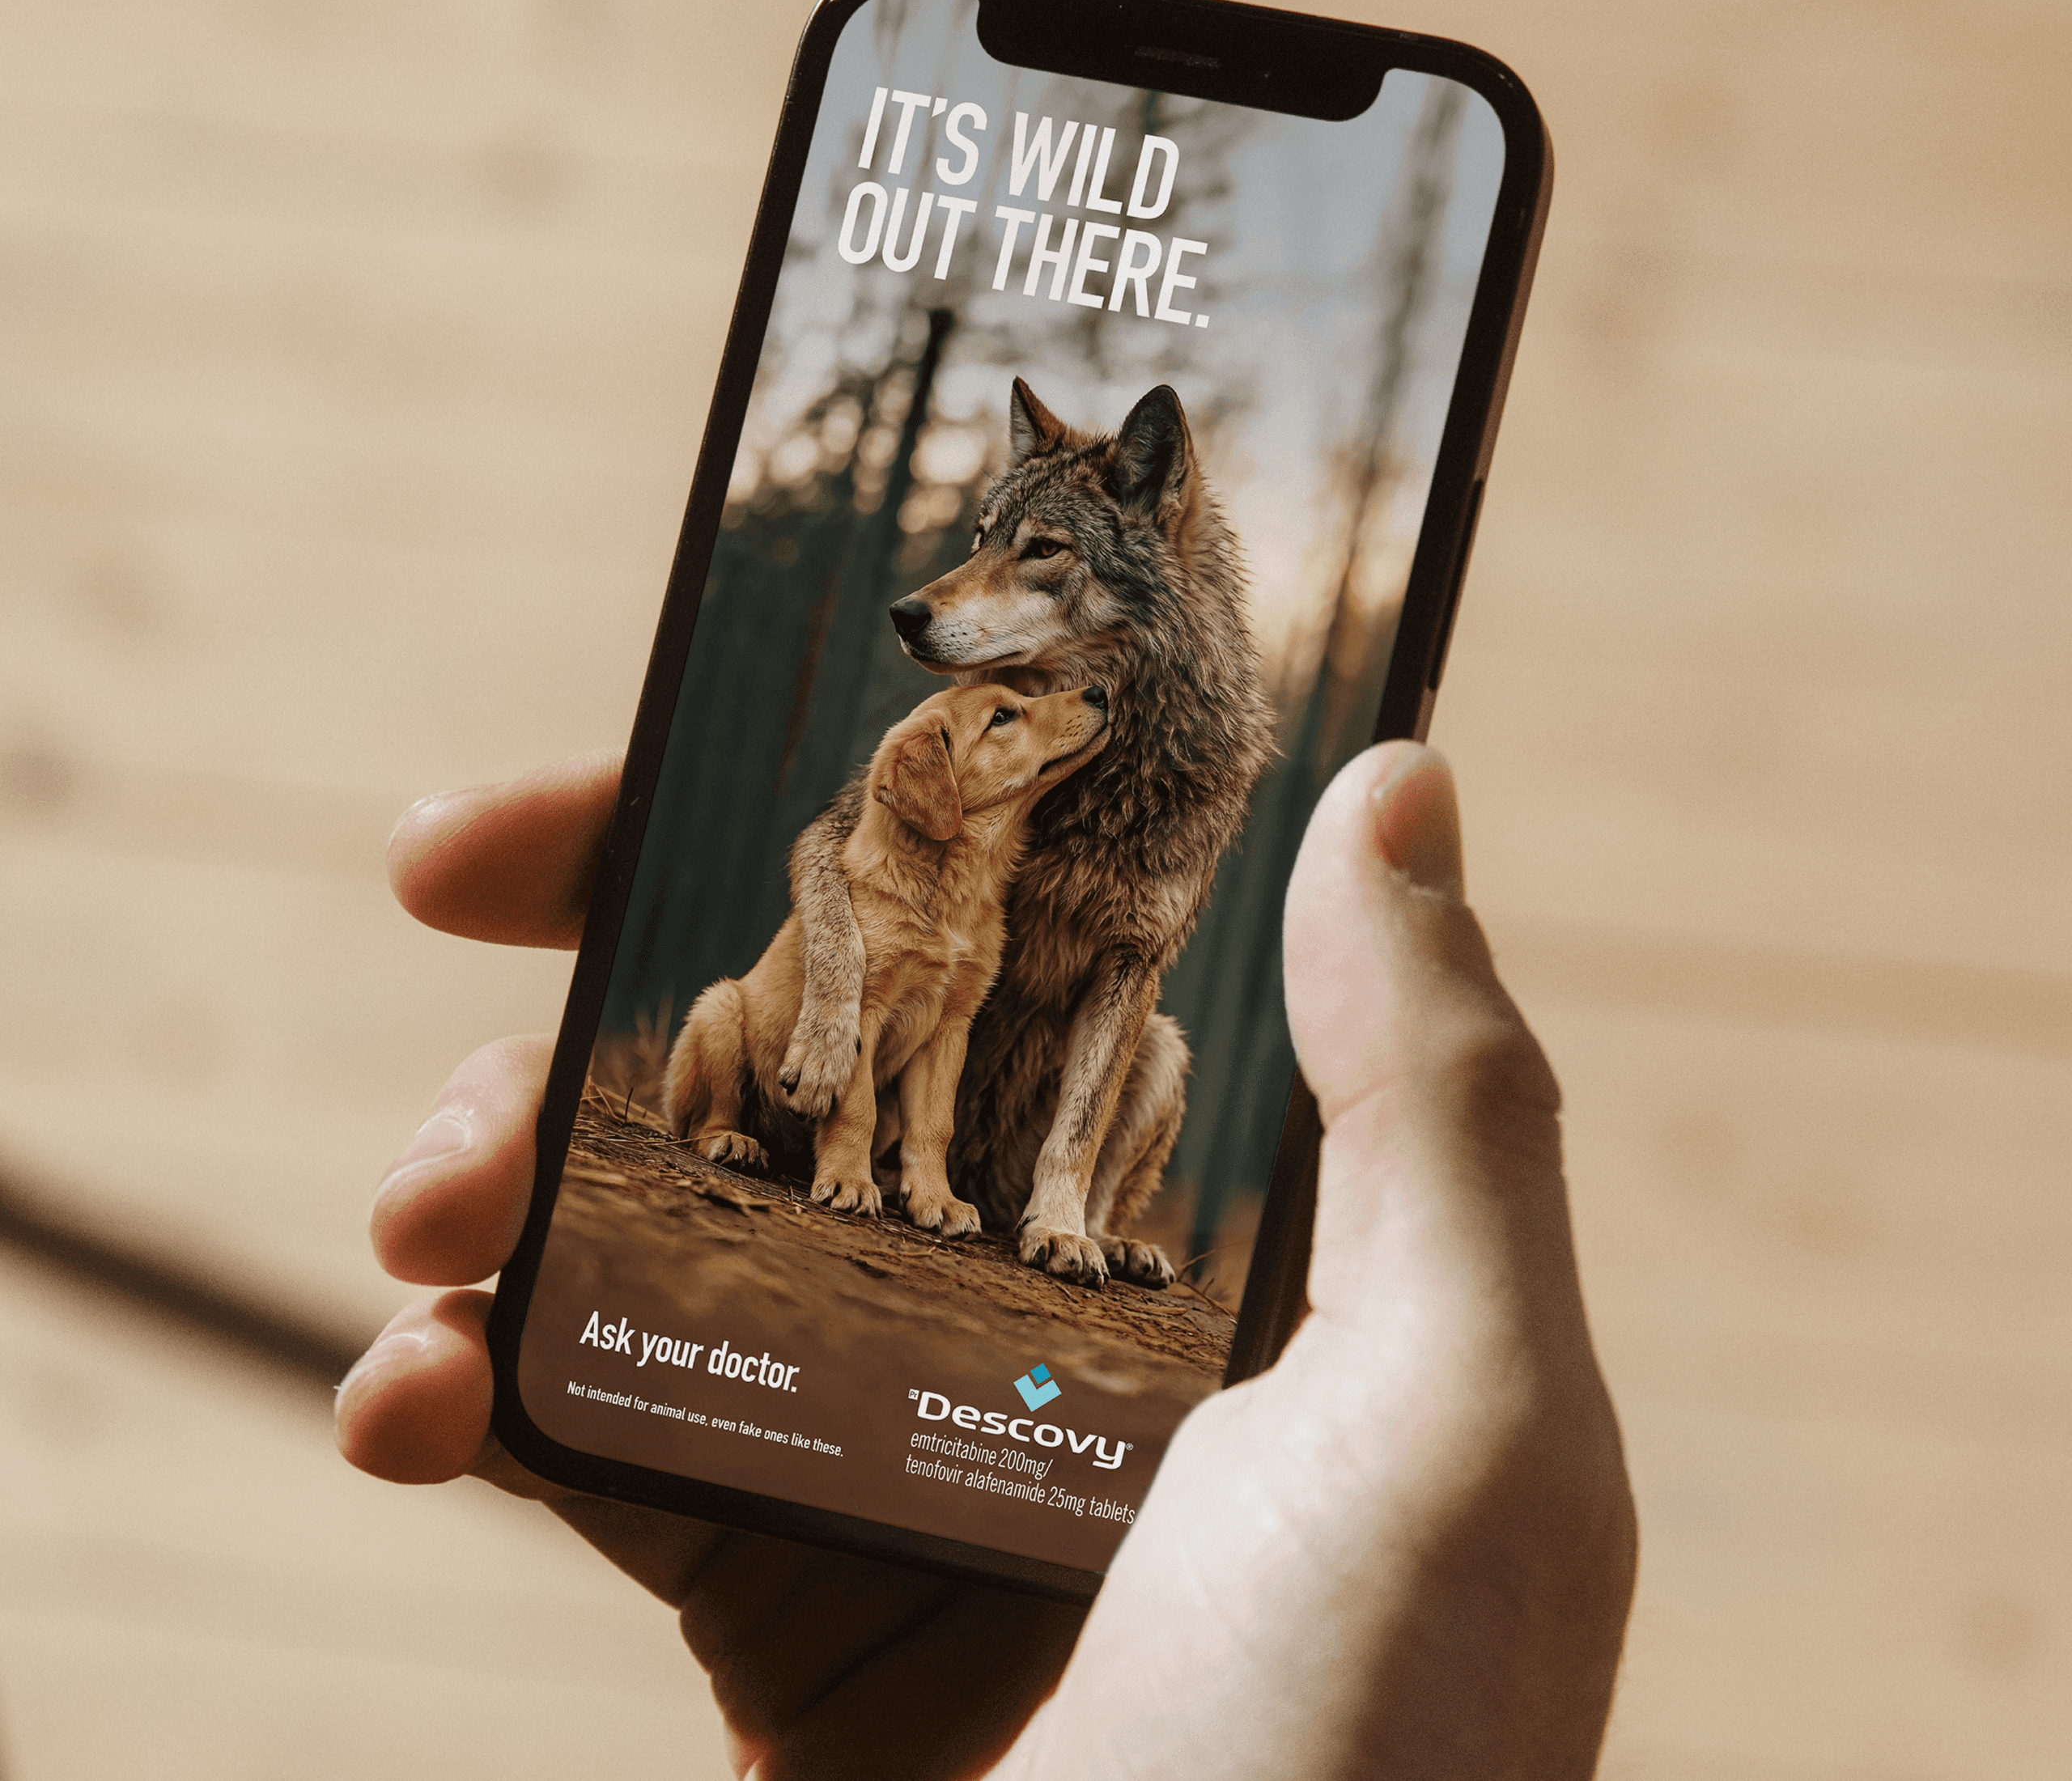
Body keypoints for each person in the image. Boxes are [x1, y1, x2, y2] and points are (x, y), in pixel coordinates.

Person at [336, 741, 1638, 1779]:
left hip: (954, 1243)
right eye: (1007, 716)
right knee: (713, 1040)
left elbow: (948, 1036)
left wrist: (933, 1170)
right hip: (787, 1092)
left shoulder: (1062, 834)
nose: (1029, 719)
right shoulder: (903, 818)